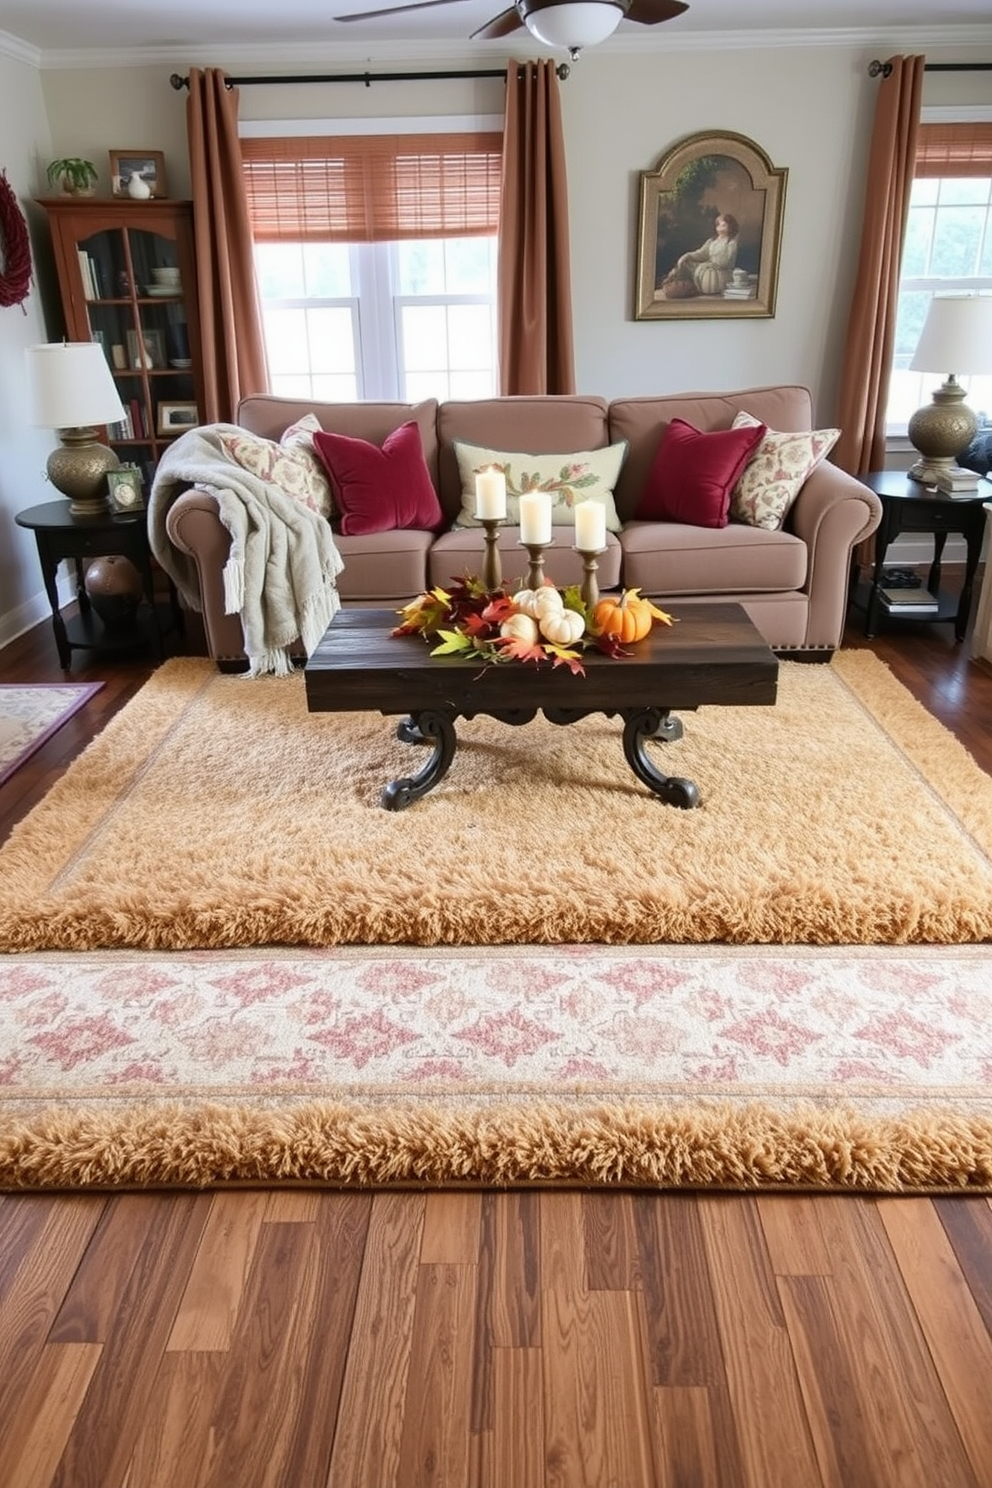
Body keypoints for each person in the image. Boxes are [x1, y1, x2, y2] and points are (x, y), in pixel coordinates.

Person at [674, 213, 740, 296]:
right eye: (718, 226)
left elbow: (725, 262)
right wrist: (687, 256)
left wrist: (709, 265)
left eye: (723, 225)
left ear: (730, 227)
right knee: (686, 263)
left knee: (709, 275)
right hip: (709, 268)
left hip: (723, 272)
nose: (720, 229)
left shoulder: (731, 242)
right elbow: (701, 253)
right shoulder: (711, 241)